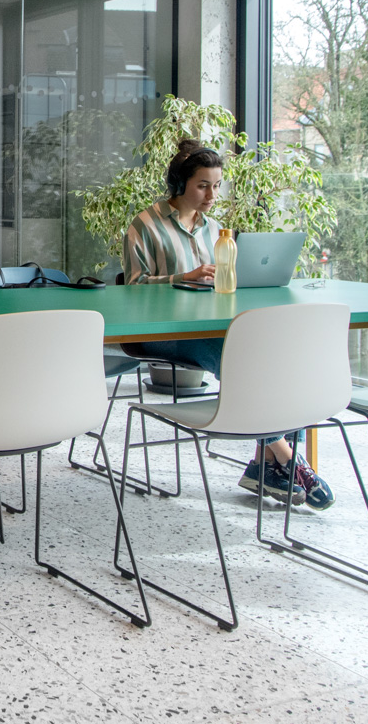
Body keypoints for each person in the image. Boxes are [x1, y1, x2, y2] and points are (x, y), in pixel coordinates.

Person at [122, 138, 333, 510]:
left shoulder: (215, 228)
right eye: (203, 185)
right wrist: (183, 276)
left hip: (209, 326)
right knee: (241, 358)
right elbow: (133, 288)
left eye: (217, 186)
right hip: (162, 332)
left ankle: (265, 465)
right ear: (180, 183)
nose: (212, 195)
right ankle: (288, 458)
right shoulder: (146, 224)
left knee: (276, 355)